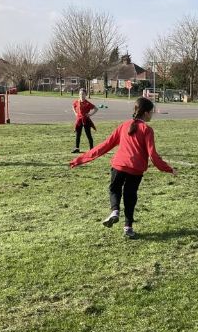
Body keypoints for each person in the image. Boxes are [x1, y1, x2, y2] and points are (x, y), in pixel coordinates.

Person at [70, 97, 177, 238]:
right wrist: (169, 169)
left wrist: (80, 159)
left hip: (118, 166)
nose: (152, 114)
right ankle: (128, 228)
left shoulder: (124, 125)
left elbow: (105, 145)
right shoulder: (147, 129)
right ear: (145, 113)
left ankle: (114, 211)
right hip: (135, 169)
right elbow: (153, 156)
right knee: (130, 197)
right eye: (152, 112)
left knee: (114, 189)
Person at [72, 88, 98, 153]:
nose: (81, 95)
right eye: (80, 94)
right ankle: (77, 148)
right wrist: (75, 113)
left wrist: (90, 114)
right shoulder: (77, 102)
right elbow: (73, 106)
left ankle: (92, 149)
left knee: (88, 134)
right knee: (78, 134)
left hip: (86, 120)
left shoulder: (87, 103)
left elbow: (96, 108)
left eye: (83, 94)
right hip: (79, 120)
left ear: (85, 95)